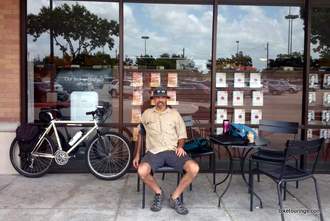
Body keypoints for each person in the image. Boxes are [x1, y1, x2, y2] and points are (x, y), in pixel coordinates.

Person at [133, 87, 199, 215]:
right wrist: (137, 155)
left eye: (162, 97)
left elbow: (182, 135)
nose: (160, 100)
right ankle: (159, 193)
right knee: (142, 171)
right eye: (157, 97)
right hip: (154, 152)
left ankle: (174, 197)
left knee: (194, 168)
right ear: (154, 100)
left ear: (166, 99)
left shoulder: (174, 114)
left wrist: (180, 146)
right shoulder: (147, 114)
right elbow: (141, 133)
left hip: (173, 151)